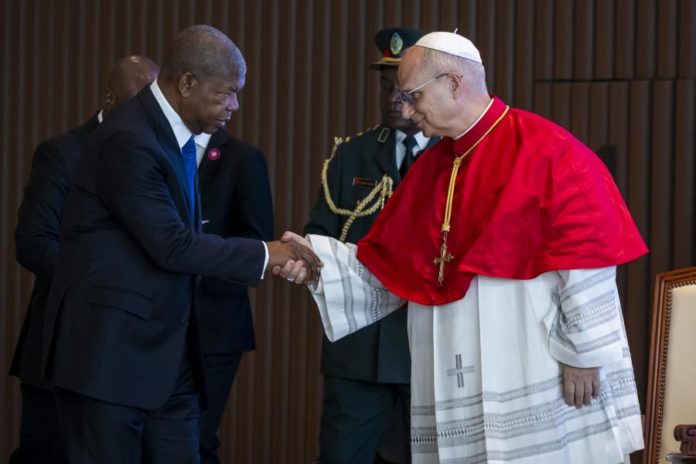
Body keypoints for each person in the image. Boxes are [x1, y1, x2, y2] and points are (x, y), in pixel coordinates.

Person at [279, 31, 647, 463]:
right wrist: (317, 261)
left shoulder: (547, 149)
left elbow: (587, 257)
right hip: (452, 364)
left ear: (453, 83)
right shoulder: (433, 166)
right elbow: (391, 263)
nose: (407, 109)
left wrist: (584, 352)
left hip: (531, 358)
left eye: (414, 96)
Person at [40, 25, 319, 464]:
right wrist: (269, 253)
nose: (235, 105)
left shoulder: (174, 135)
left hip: (169, 358)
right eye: (227, 93)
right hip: (110, 361)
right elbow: (171, 244)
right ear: (187, 83)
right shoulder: (128, 138)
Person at [9, 55, 159, 464]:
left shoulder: (162, 156)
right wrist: (109, 287)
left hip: (134, 356)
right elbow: (34, 243)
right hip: (63, 344)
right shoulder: (62, 154)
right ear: (110, 99)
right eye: (140, 102)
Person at [304, 27, 435, 464]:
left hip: (428, 345)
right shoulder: (352, 154)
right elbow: (322, 232)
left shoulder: (455, 155)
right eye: (385, 86)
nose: (392, 98)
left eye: (403, 88)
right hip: (360, 346)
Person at [193, 128, 274, 463]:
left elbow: (260, 242)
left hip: (215, 323)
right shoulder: (157, 148)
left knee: (197, 438)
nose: (231, 105)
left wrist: (197, 252)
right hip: (156, 322)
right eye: (224, 98)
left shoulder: (243, 158)